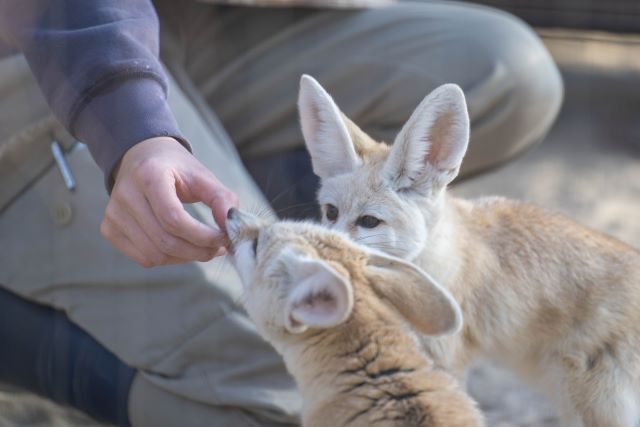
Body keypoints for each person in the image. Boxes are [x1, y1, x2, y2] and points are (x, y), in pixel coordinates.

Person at [0, 0, 563, 425]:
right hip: (55, 35)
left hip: (203, 22)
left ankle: (251, 209)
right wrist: (130, 123)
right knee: (308, 379)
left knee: (506, 72)